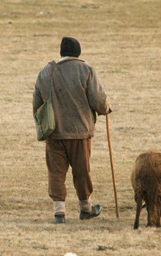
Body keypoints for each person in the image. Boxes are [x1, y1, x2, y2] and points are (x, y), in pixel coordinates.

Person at [33, 37, 110, 223]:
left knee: (56, 173)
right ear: (78, 53)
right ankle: (86, 208)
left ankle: (59, 213)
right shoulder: (86, 70)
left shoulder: (46, 72)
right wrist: (106, 108)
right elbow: (98, 100)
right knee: (82, 171)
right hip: (80, 133)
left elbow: (37, 104)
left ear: (61, 52)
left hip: (54, 134)